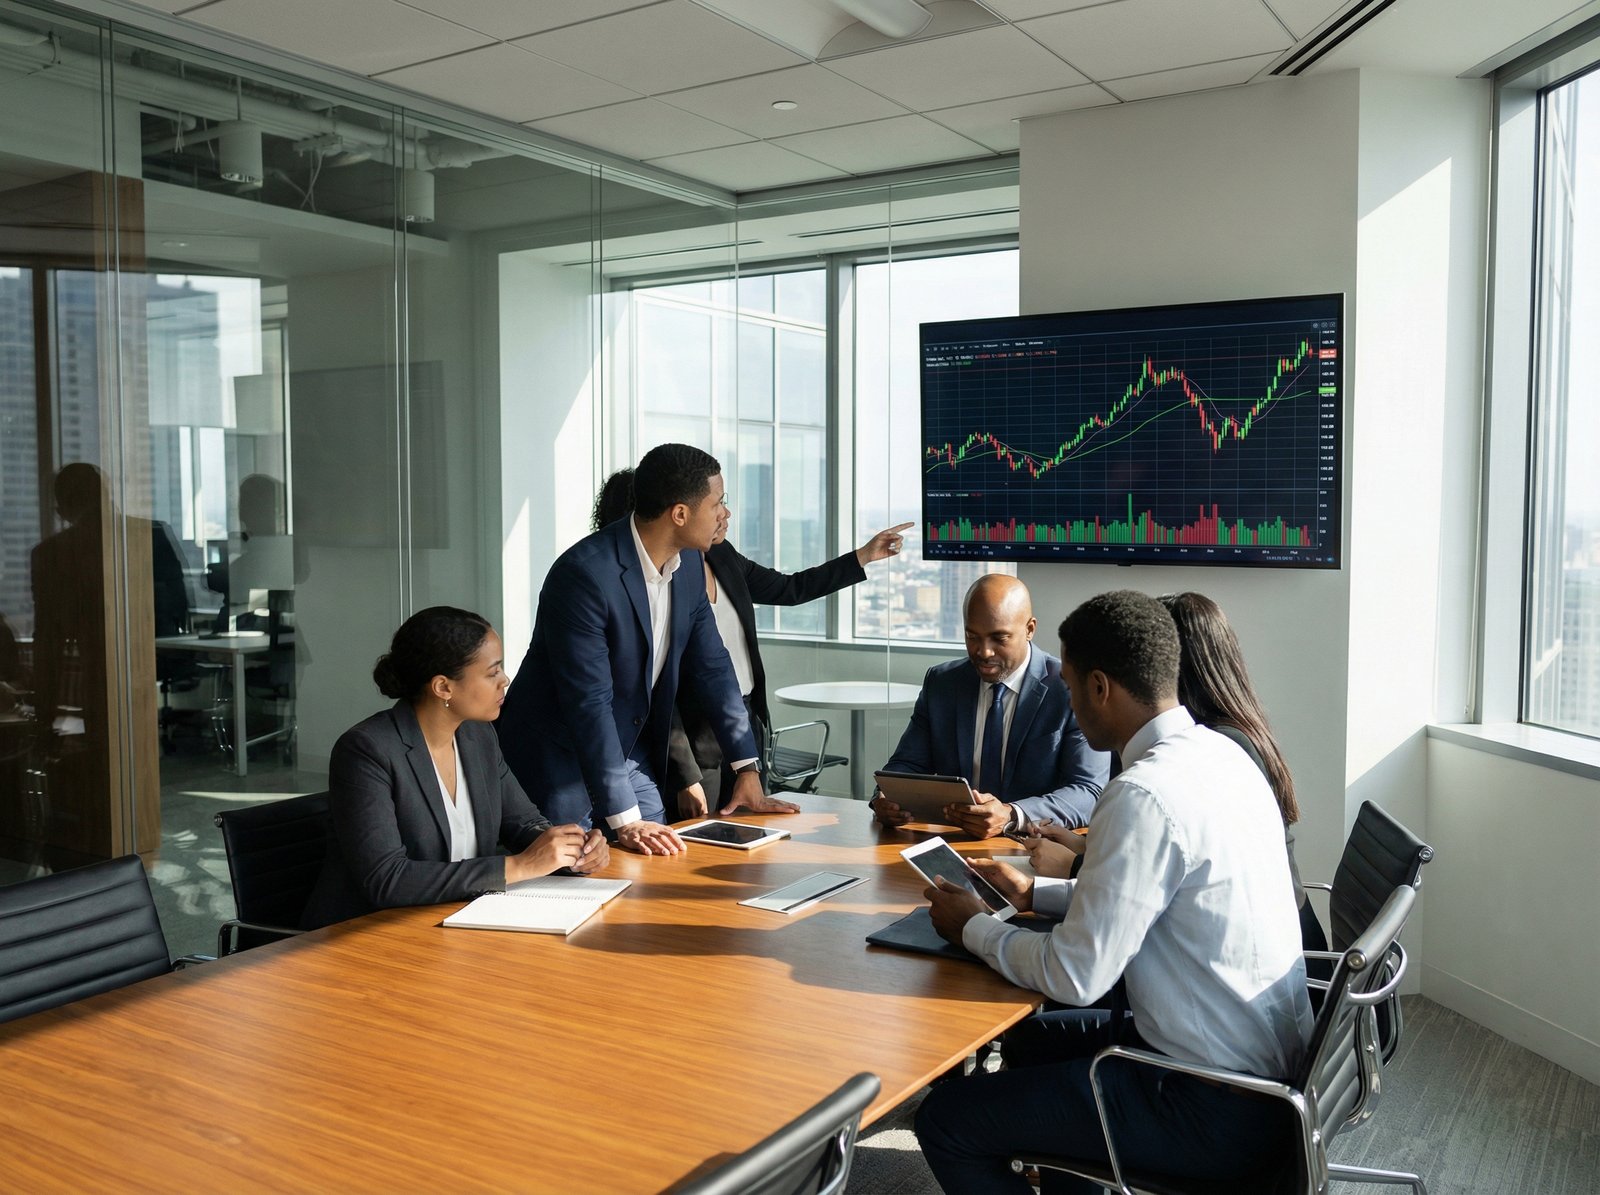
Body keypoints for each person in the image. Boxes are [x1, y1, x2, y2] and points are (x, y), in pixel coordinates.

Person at [913, 590, 1313, 1193]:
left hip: (1205, 1103)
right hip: (1265, 1077)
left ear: (1100, 688)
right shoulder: (1223, 756)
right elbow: (1154, 900)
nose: (1068, 704)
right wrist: (1034, 895)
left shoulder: (1144, 794)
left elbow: (1078, 976)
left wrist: (974, 926)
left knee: (946, 1120)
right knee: (1028, 1040)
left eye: (1071, 686)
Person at [497, 444, 798, 856]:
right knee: (571, 873)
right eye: (717, 503)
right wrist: (626, 820)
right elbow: (589, 702)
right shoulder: (584, 575)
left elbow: (714, 668)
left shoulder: (688, 564)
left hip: (627, 749)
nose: (724, 514)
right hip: (560, 754)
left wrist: (745, 767)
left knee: (661, 854)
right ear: (680, 514)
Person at [591, 467, 913, 816]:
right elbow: (651, 695)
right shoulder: (645, 587)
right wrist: (685, 776)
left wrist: (862, 556)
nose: (724, 514)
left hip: (743, 723)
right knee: (699, 842)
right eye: (713, 505)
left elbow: (789, 588)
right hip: (693, 744)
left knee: (752, 835)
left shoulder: (721, 555)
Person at [301, 606, 607, 929]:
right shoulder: (367, 751)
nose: (505, 681)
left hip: (457, 924)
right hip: (364, 937)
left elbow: (524, 823)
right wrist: (518, 867)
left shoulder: (478, 736)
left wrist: (572, 851)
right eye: (493, 672)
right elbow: (387, 879)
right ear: (443, 687)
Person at [870, 574, 1108, 838]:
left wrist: (1011, 814)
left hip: (1037, 847)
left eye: (999, 638)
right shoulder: (943, 683)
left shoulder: (1069, 688)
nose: (984, 652)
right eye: (972, 636)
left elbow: (1089, 791)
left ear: (1029, 629)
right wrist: (884, 798)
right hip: (956, 843)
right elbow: (906, 765)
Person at [1159, 590, 1328, 954]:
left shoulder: (1217, 747)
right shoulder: (1239, 728)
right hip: (1280, 945)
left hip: (1274, 965)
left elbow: (1179, 875)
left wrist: (1078, 864)